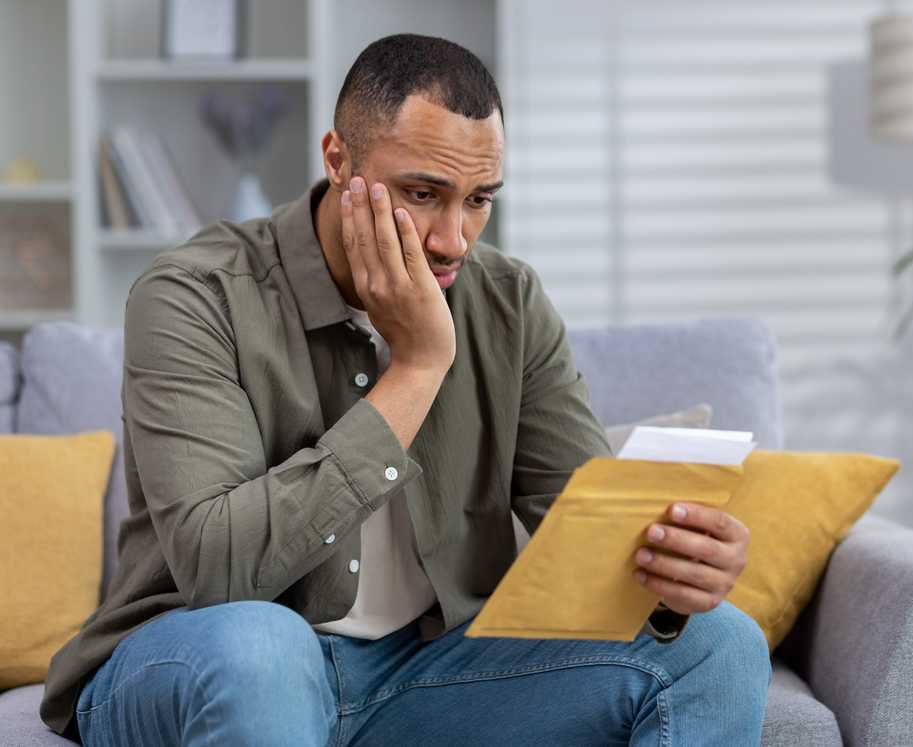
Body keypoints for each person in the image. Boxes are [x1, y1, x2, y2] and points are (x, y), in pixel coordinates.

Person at [40, 33, 771, 746]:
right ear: (338, 159)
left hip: (423, 675)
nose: (454, 239)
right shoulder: (194, 294)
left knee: (720, 644)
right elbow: (217, 570)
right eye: (423, 193)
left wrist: (672, 573)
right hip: (205, 656)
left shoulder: (509, 301)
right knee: (265, 650)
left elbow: (586, 538)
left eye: (479, 199)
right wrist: (417, 368)